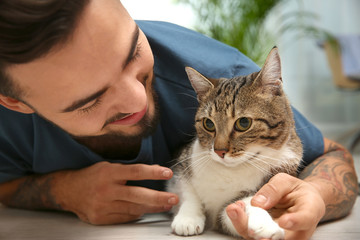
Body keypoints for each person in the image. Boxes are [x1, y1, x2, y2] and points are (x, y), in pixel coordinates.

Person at [0, 0, 357, 239]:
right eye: (91, 100)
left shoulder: (222, 79)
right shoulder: (6, 123)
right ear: (14, 103)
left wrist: (316, 195)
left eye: (132, 53)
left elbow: (334, 155)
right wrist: (62, 191)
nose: (137, 99)